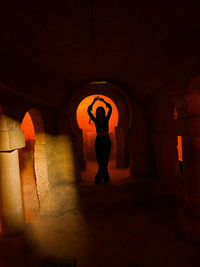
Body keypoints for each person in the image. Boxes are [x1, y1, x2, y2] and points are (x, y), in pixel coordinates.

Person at [87, 96, 112, 184]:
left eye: (101, 111)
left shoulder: (106, 118)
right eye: (98, 111)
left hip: (106, 140)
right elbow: (88, 110)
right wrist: (93, 102)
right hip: (98, 141)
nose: (100, 113)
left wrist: (104, 101)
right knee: (100, 159)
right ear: (97, 113)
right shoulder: (95, 120)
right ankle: (106, 177)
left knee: (105, 159)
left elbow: (110, 108)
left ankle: (99, 177)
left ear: (103, 112)